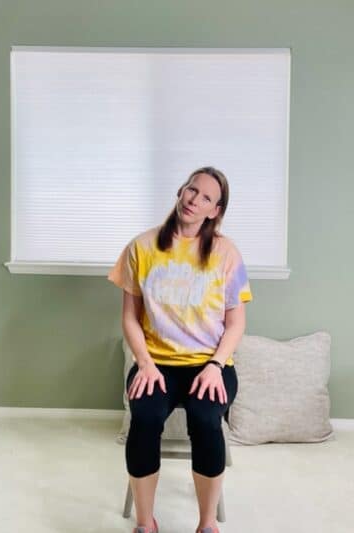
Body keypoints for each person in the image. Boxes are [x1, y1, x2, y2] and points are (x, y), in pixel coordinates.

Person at [108, 166, 253, 533]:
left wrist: (216, 365)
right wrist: (144, 363)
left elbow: (236, 323)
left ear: (215, 211)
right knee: (145, 419)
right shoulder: (141, 247)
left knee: (206, 420)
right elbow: (129, 318)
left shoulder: (225, 253)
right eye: (192, 189)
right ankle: (146, 523)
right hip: (155, 364)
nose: (195, 199)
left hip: (210, 365)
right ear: (181, 191)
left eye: (207, 197)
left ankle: (206, 525)